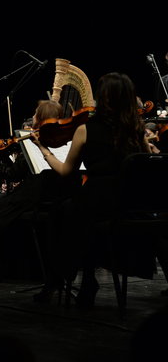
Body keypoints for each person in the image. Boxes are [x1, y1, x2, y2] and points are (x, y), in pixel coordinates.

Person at [31, 72, 151, 307]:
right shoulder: (136, 130)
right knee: (80, 217)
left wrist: (44, 149)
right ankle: (86, 279)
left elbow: (66, 172)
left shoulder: (85, 130)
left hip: (97, 202)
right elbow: (144, 162)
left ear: (102, 98)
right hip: (128, 205)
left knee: (61, 213)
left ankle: (61, 278)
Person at [0, 99, 80, 284]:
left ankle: (3, 271)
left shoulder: (32, 140)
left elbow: (13, 174)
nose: (33, 116)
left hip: (36, 195)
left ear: (41, 118)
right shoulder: (70, 138)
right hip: (59, 196)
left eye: (36, 113)